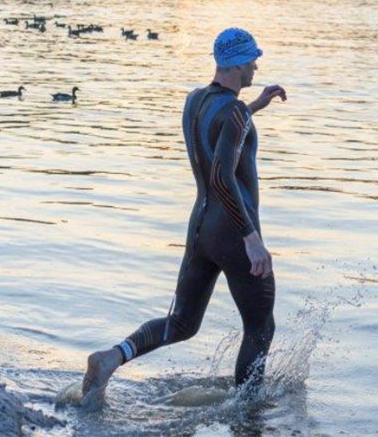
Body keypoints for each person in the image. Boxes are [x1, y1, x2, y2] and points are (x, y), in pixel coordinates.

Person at [78, 28, 288, 403]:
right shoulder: (235, 112)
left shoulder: (196, 101)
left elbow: (221, 131)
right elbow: (222, 176)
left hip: (200, 230)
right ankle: (247, 413)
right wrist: (251, 238)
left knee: (181, 323)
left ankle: (111, 358)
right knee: (260, 327)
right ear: (239, 63)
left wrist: (254, 106)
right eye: (253, 58)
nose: (257, 65)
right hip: (233, 231)